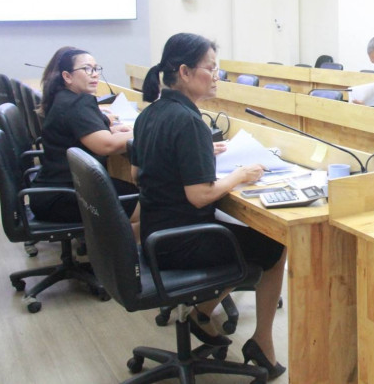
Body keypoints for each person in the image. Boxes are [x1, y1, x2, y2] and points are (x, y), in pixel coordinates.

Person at [131, 33, 287, 379]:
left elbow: (136, 174)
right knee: (275, 248)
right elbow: (199, 196)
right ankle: (262, 341)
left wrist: (198, 154)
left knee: (249, 243)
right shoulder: (190, 122)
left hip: (156, 236)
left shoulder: (149, 114)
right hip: (183, 242)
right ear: (185, 72)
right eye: (211, 69)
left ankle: (202, 313)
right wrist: (240, 175)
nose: (217, 76)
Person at [31, 47, 138, 225]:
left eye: (96, 69)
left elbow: (78, 132)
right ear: (67, 76)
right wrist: (146, 127)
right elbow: (107, 146)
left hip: (53, 191)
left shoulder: (63, 98)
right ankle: (122, 243)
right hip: (65, 196)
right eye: (87, 69)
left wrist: (110, 130)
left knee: (134, 192)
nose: (94, 74)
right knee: (149, 204)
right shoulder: (77, 103)